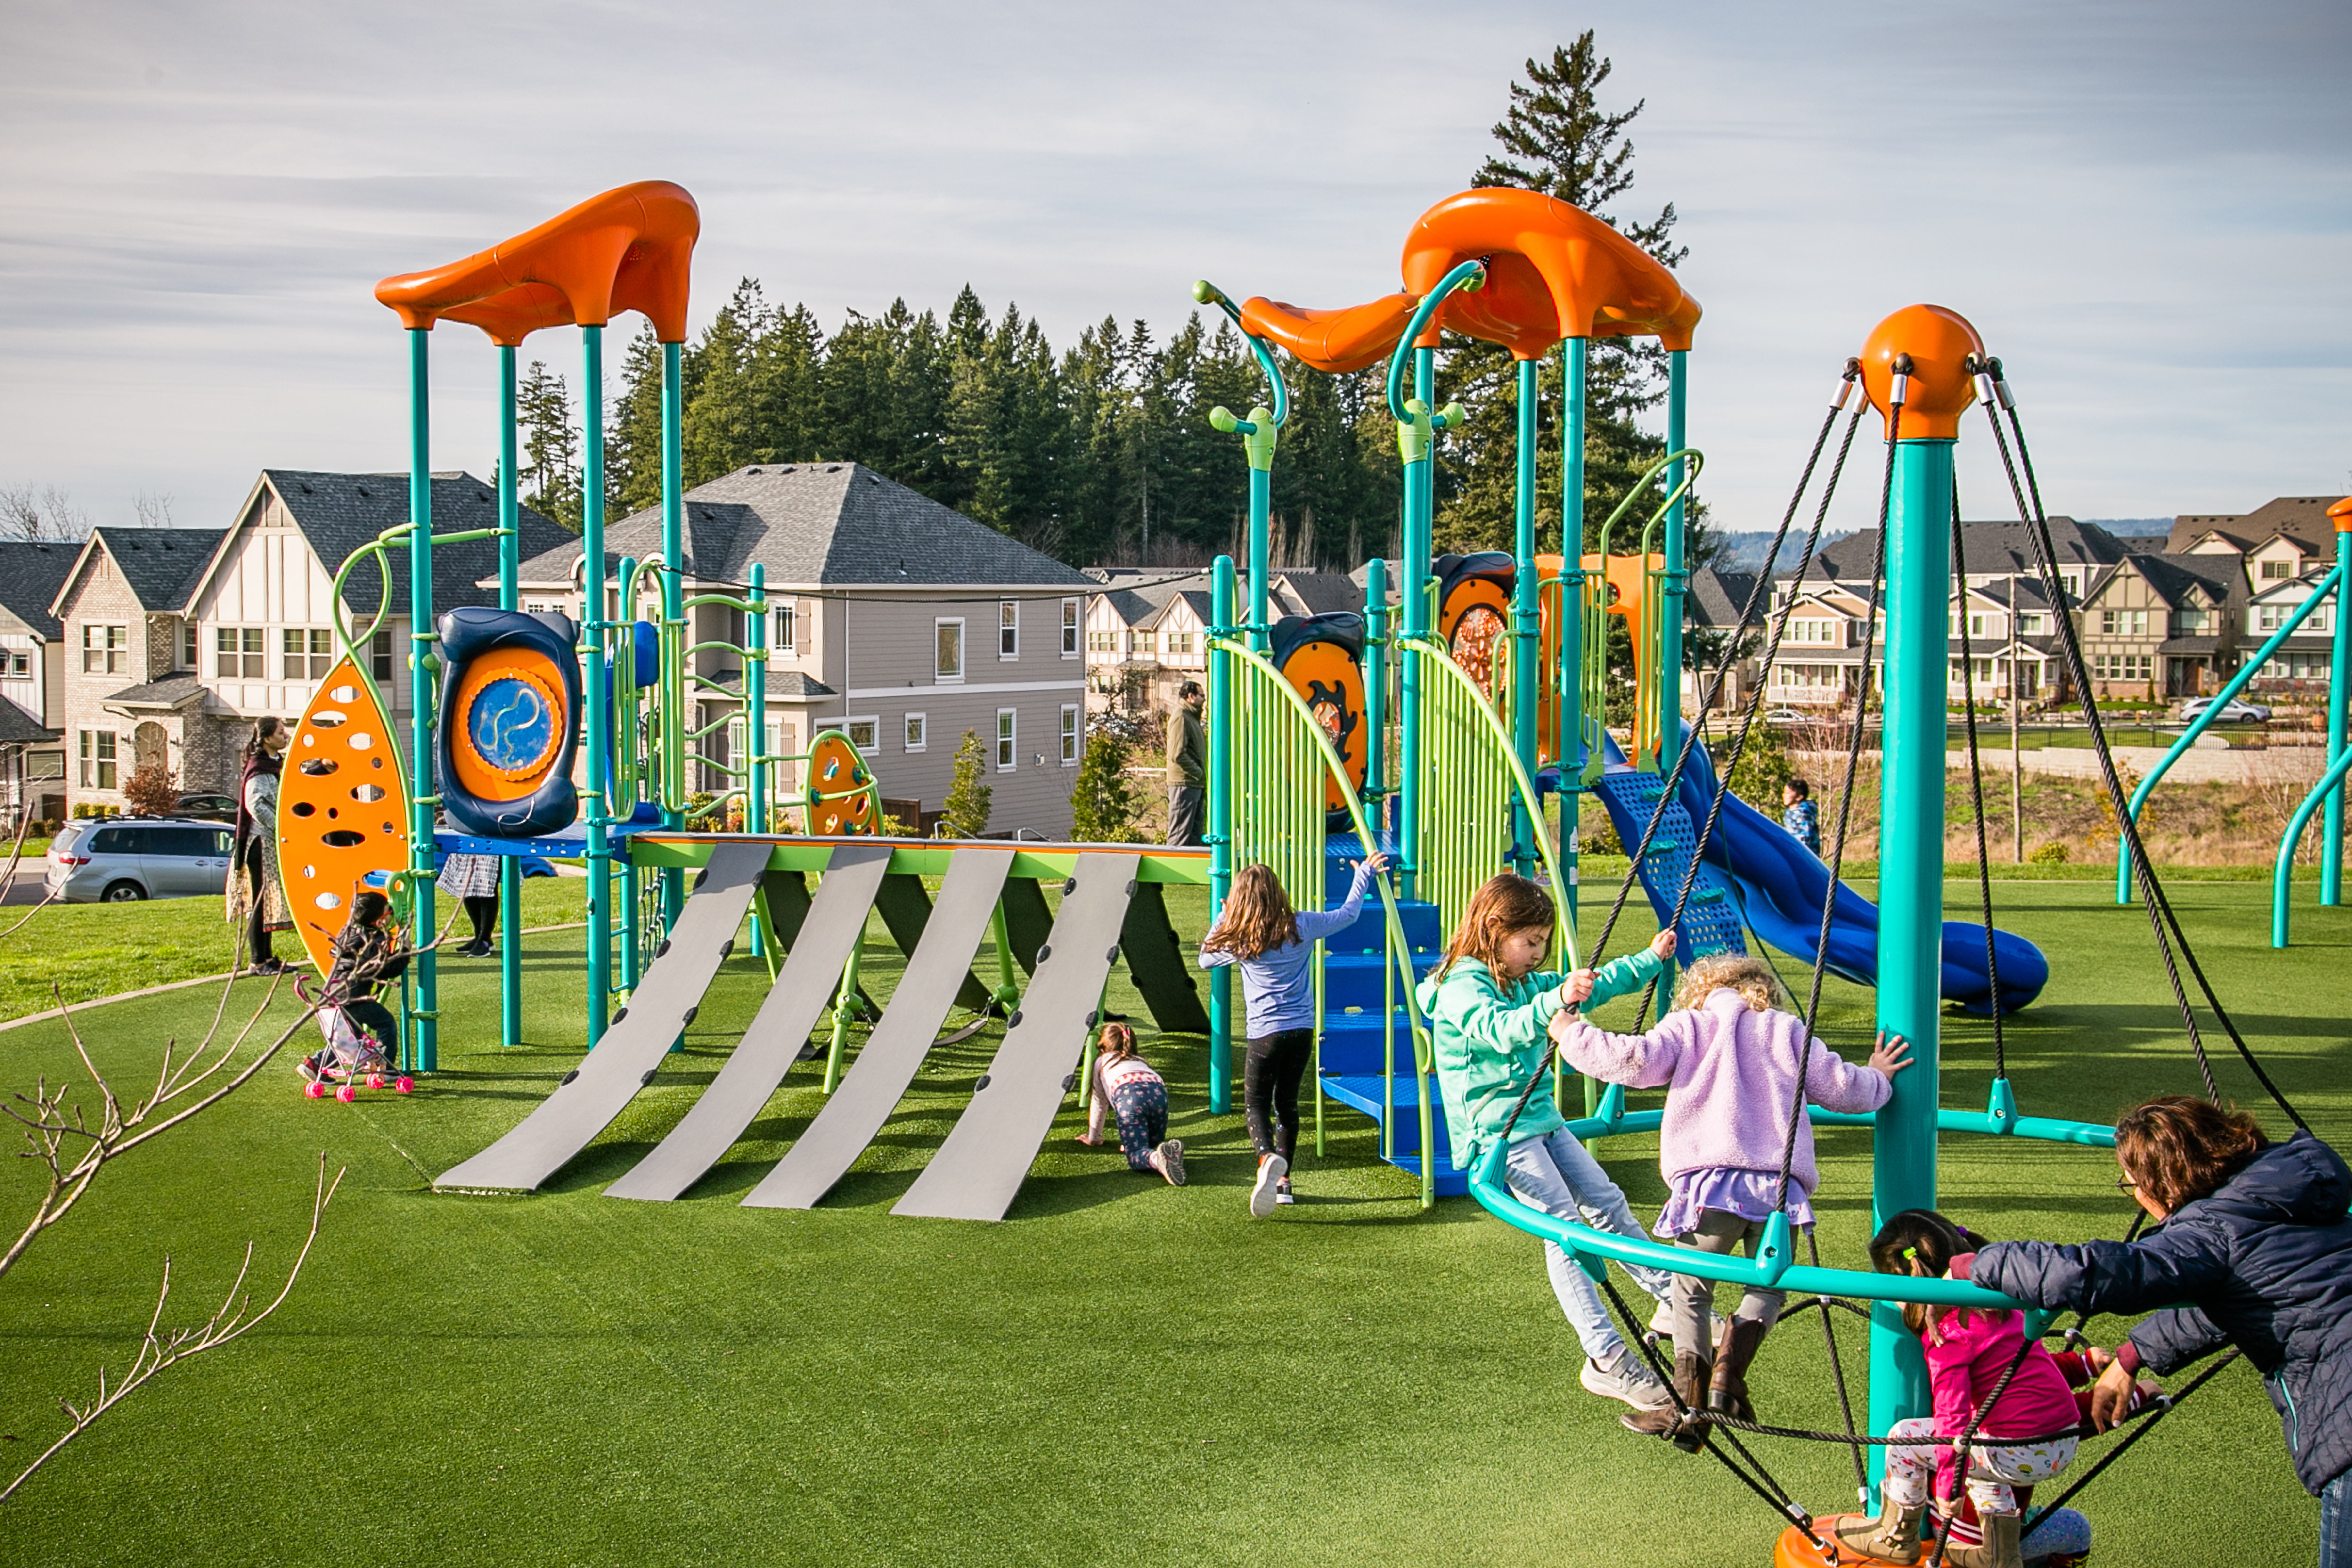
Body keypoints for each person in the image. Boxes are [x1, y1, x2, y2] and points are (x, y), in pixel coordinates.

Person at [1961, 1096, 2352, 1568]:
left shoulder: (2210, 1232)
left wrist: (1975, 1263)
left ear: (2158, 1184)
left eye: (2131, 1186)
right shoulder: (2294, 1185)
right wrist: (2132, 1357)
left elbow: (2089, 1275)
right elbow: (2255, 1294)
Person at [1552, 951, 1910, 1438]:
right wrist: (1880, 1077)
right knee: (1768, 1286)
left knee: (1691, 1292)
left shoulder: (1689, 1027)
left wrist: (1570, 1033)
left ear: (1700, 992)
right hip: (1777, 1191)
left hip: (1710, 1187)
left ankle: (1690, 1401)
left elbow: (1628, 1059)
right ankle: (1728, 1378)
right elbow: (1844, 1090)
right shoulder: (1786, 1031)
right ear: (1763, 992)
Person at [1419, 872, 1686, 1417]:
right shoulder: (1461, 985)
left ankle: (1671, 1301)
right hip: (1497, 1130)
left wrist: (1649, 959)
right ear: (1494, 930)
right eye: (1531, 942)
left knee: (1608, 1202)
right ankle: (1606, 1357)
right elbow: (1498, 1029)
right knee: (1564, 1228)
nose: (1538, 955)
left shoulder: (1520, 979)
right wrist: (1555, 1004)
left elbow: (1592, 984)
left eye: (1542, 942)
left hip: (1539, 1118)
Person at [1835, 1210, 2120, 1567]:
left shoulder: (1947, 1336)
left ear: (1903, 1282)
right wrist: (2083, 1367)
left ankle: (1897, 1537)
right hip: (2063, 1441)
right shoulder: (2001, 1305)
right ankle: (1999, 1554)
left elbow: (1952, 1421)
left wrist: (1947, 1489)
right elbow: (2034, 1373)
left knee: (1905, 1439)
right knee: (1982, 1451)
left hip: (2017, 1451)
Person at [1199, 850, 1390, 1216]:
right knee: (1286, 1103)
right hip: (1301, 1031)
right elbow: (1348, 914)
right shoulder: (1301, 925)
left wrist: (1225, 914)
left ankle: (1266, 1157)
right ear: (1278, 892)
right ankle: (1284, 1184)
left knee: (1255, 1102)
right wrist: (1363, 874)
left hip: (1264, 1035)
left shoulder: (1241, 938)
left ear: (1240, 901)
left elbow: (1206, 958)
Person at [299, 889, 410, 1084]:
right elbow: (389, 969)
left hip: (332, 995)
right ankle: (387, 1068)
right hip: (354, 998)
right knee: (385, 1023)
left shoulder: (349, 932)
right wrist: (405, 949)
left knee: (349, 1038)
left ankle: (315, 1064)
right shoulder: (374, 942)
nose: (392, 913)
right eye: (389, 911)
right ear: (379, 922)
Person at [1073, 1022, 1184, 1185]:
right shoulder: (1141, 1061)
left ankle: (1156, 1159)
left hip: (1129, 1096)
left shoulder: (1102, 1062)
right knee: (1154, 1144)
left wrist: (1094, 1138)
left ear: (1103, 1047)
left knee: (1136, 1154)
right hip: (1159, 1093)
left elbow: (1099, 1103)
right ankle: (1167, 1153)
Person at [226, 717, 292, 975]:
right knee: (259, 900)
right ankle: (258, 961)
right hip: (259, 842)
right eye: (280, 732)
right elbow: (255, 805)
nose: (285, 736)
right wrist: (281, 827)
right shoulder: (258, 767)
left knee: (268, 898)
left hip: (271, 842)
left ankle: (268, 958)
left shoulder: (275, 764)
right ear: (266, 738)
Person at [437, 815, 501, 956]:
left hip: (491, 832)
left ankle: (484, 940)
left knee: (486, 887)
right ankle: (481, 937)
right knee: (467, 886)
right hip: (467, 831)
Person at [1165, 681, 1206, 848]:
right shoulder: (1182, 717)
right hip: (1184, 784)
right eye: (1202, 696)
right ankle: (1171, 870)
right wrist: (1199, 773)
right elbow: (1177, 754)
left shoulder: (1191, 717)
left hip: (1193, 784)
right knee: (1180, 836)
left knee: (1194, 836)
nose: (1204, 700)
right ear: (1191, 697)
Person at [1781, 777, 1820, 854]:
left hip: (1803, 858)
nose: (1784, 796)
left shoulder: (1803, 814)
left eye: (1788, 793)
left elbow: (1805, 838)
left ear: (1799, 797)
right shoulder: (1792, 812)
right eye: (1784, 793)